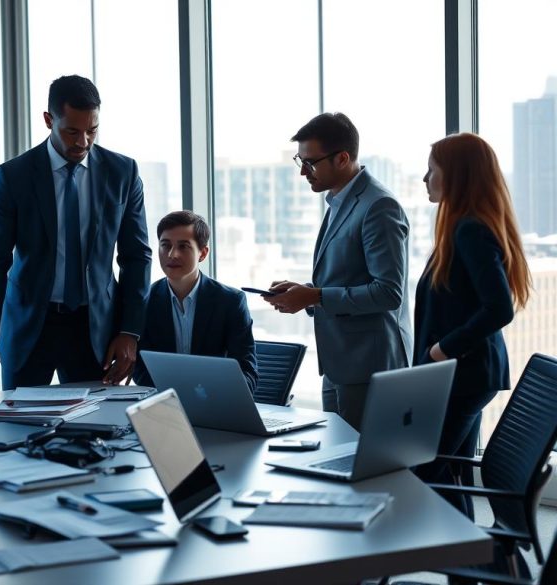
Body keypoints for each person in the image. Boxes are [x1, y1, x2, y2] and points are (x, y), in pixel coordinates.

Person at [0, 75, 151, 391]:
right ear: (49, 120)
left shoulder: (123, 173)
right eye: (72, 131)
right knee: (20, 420)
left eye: (92, 130)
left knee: (97, 420)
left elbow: (136, 256)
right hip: (30, 325)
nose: (83, 142)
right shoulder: (14, 176)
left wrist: (130, 331)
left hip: (95, 327)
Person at [265, 112, 411, 430]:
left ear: (342, 158)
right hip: (339, 365)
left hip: (370, 368)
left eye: (310, 162)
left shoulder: (378, 206)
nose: (303, 171)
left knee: (361, 460)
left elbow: (389, 293)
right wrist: (305, 292)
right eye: (299, 161)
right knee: (337, 455)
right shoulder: (339, 201)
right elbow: (346, 277)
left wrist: (315, 296)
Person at [413, 132, 530, 518]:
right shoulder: (463, 226)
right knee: (449, 475)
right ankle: (473, 552)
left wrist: (442, 349)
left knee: (420, 474)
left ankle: (479, 549)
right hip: (466, 375)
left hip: (462, 375)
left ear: (456, 175)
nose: (425, 179)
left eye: (432, 170)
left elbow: (498, 309)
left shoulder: (470, 229)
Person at [133, 211, 257, 391]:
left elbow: (247, 372)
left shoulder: (230, 302)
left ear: (203, 253)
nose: (172, 254)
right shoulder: (144, 301)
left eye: (183, 246)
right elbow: (140, 370)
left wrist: (220, 394)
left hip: (215, 400)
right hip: (164, 401)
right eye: (165, 245)